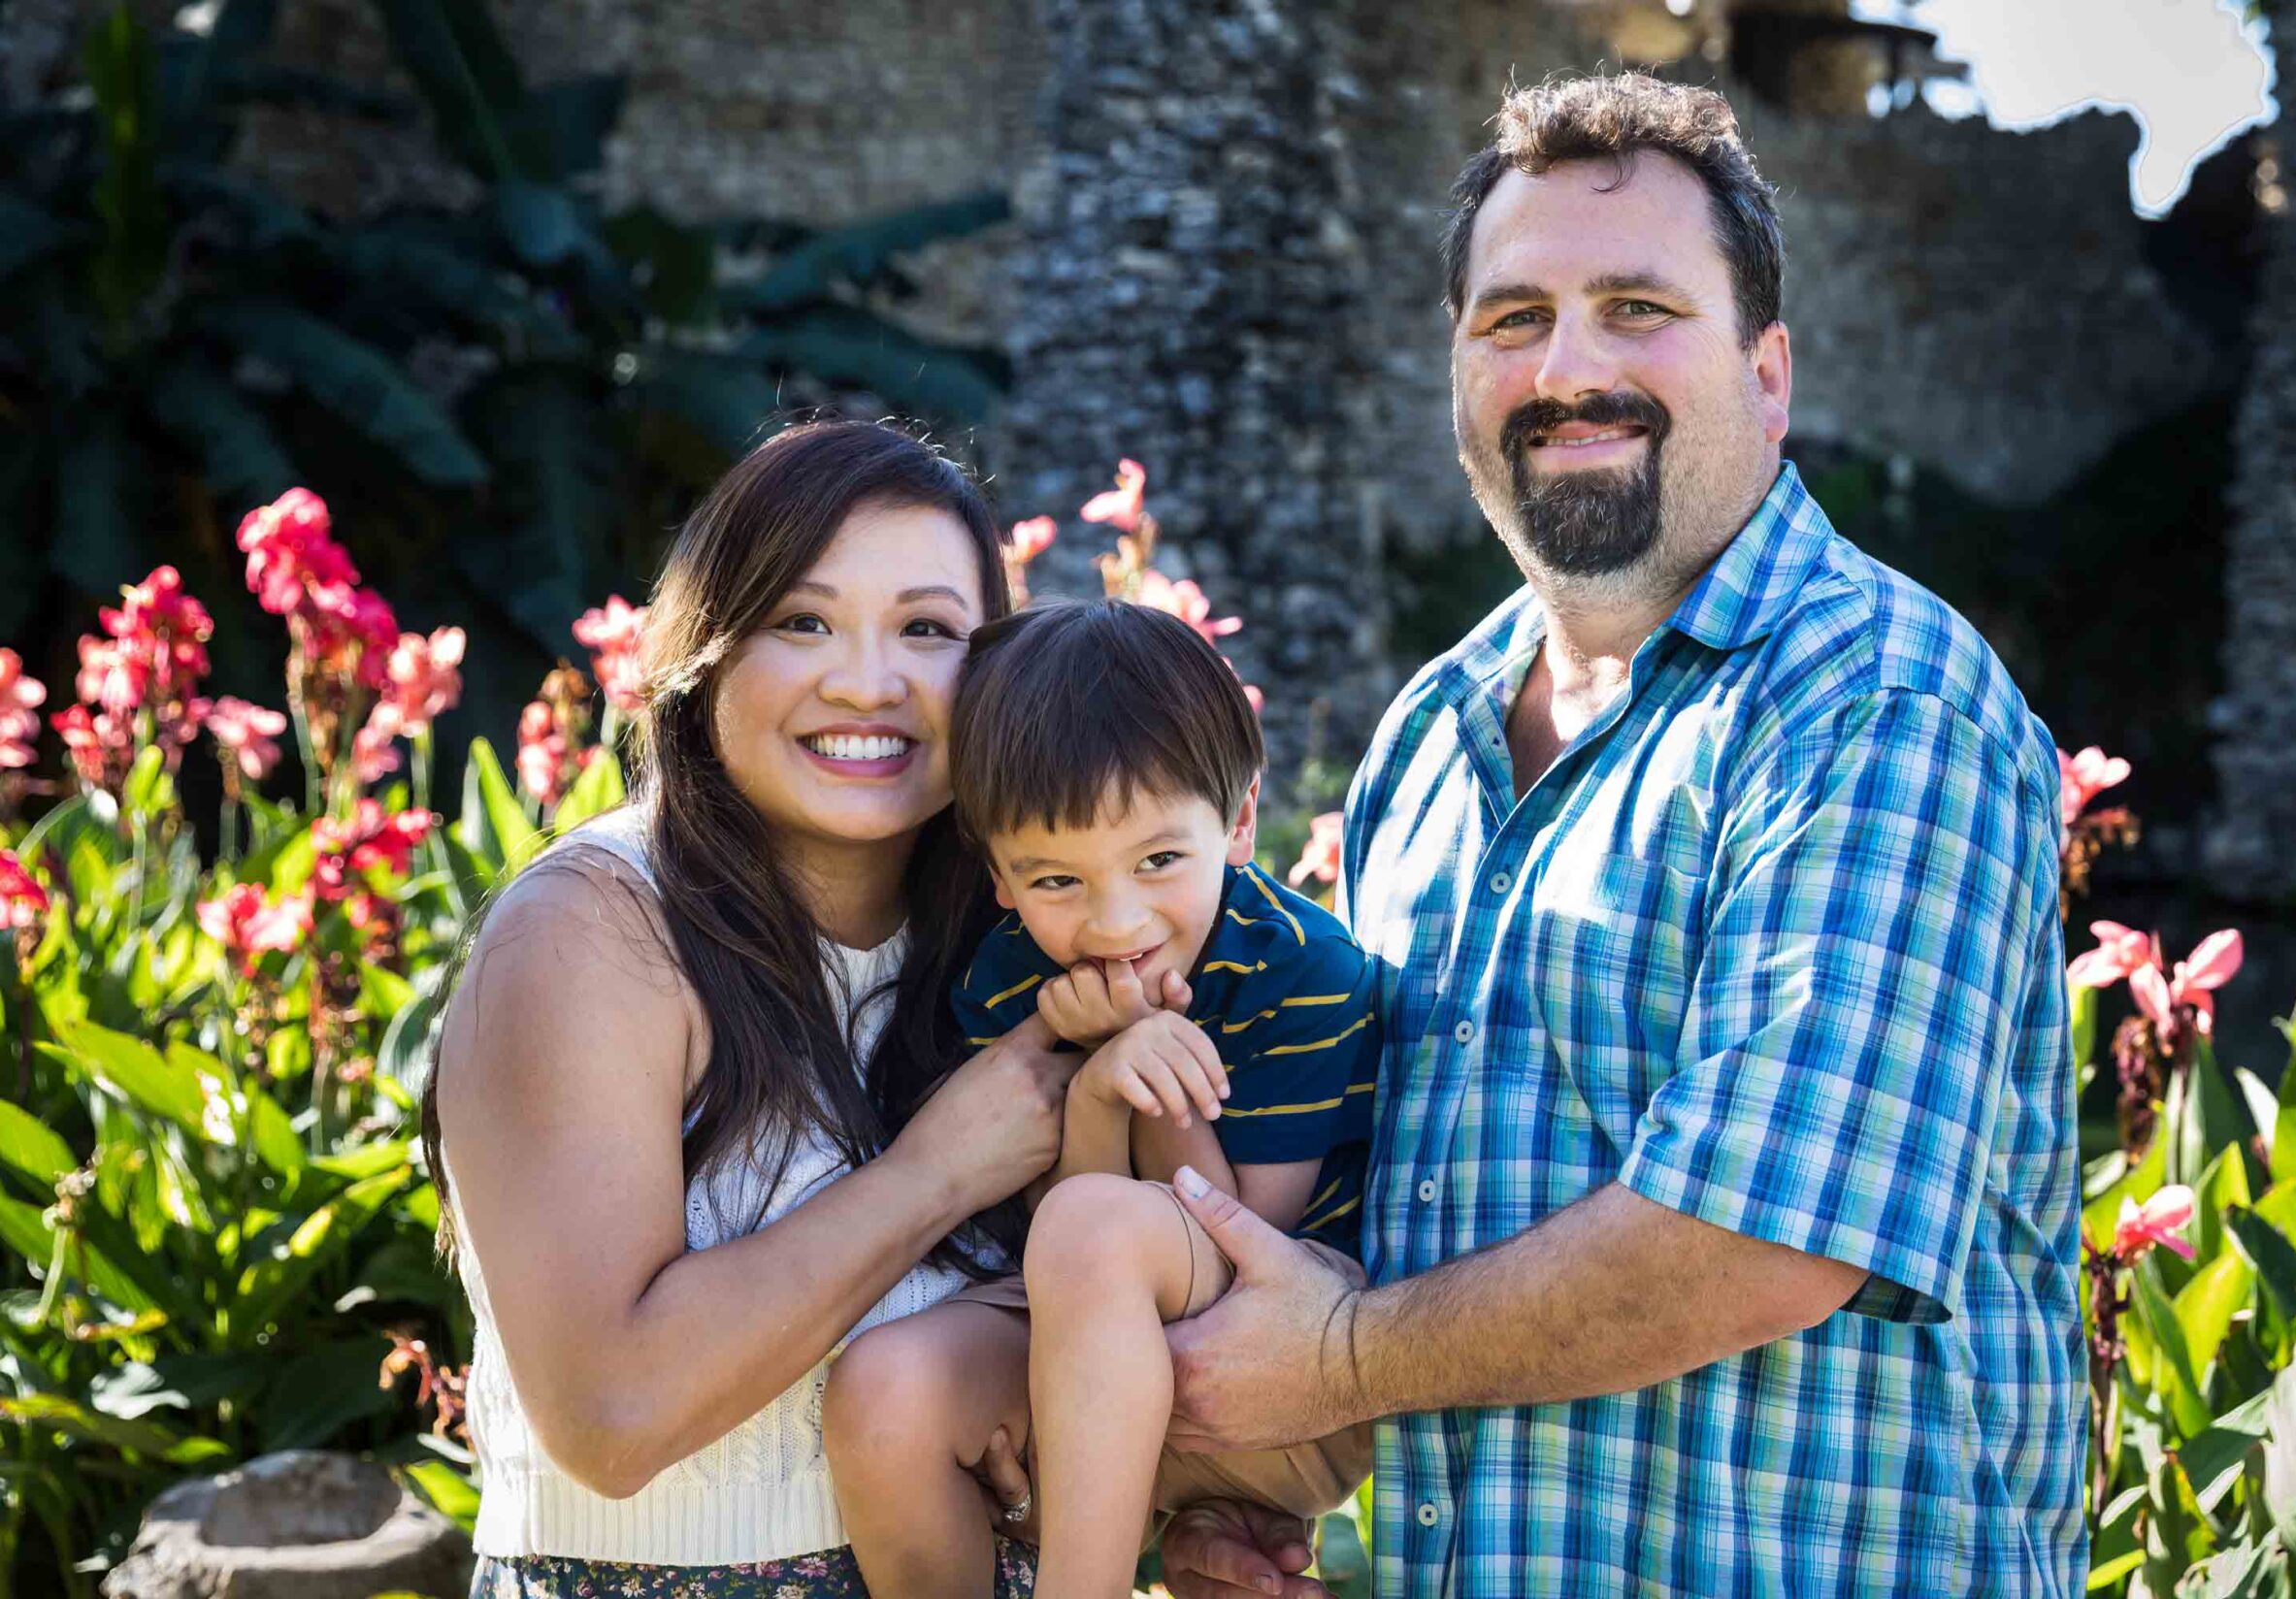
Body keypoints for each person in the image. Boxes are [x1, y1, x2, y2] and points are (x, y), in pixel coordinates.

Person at [1156, 72, 2086, 1598]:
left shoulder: (1877, 704)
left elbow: (1761, 1239)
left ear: (1768, 374)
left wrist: (1336, 1363)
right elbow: (1414, 1226)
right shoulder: (1427, 740)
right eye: (1510, 320)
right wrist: (1264, 1489)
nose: (1566, 368)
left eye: (1639, 307)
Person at [425, 420, 1068, 1599]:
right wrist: (934, 1173)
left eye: (927, 629)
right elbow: (612, 1412)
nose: (867, 682)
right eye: (802, 621)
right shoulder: (595, 929)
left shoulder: (1014, 932)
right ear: (707, 654)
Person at [821, 600, 1379, 1599]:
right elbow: (1061, 1236)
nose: (1114, 920)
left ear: (1240, 821)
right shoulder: (1009, 974)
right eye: (1055, 878)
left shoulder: (1307, 971)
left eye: (1159, 860)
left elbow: (1245, 1239)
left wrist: (1145, 1066)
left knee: (1097, 1225)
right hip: (1095, 1357)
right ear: (996, 873)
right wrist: (1101, 1088)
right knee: (883, 1391)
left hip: (1289, 1358)